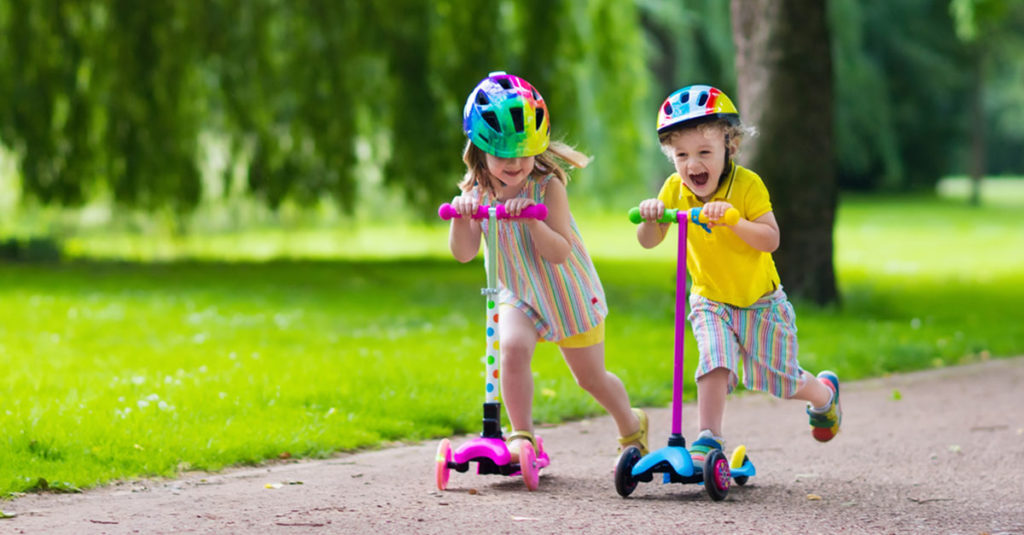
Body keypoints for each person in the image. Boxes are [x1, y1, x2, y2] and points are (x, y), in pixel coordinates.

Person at [634, 85, 842, 464]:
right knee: (713, 359)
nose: (692, 164)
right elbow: (649, 240)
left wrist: (735, 221)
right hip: (710, 299)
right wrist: (651, 215)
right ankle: (709, 438)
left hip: (761, 302)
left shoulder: (747, 186)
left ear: (729, 146)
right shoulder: (673, 189)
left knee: (781, 380)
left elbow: (771, 239)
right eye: (681, 155)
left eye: (703, 152)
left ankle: (824, 394)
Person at [447, 71, 648, 461]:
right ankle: (522, 436)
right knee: (511, 348)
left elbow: (559, 252)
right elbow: (464, 252)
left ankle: (631, 423)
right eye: (503, 153)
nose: (514, 163)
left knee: (590, 378)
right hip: (518, 292)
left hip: (566, 292)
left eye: (523, 152)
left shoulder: (547, 187)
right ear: (480, 148)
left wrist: (532, 221)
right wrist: (462, 216)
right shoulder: (475, 190)